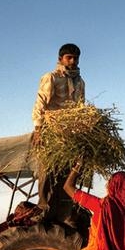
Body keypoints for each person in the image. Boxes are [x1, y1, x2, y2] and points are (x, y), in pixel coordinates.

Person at [33, 43, 86, 223]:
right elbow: (41, 103)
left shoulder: (80, 82)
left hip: (70, 135)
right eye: (69, 58)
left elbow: (80, 109)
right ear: (60, 59)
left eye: (75, 58)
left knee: (67, 174)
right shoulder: (52, 78)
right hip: (51, 131)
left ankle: (64, 215)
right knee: (48, 172)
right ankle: (43, 211)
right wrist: (38, 130)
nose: (72, 61)